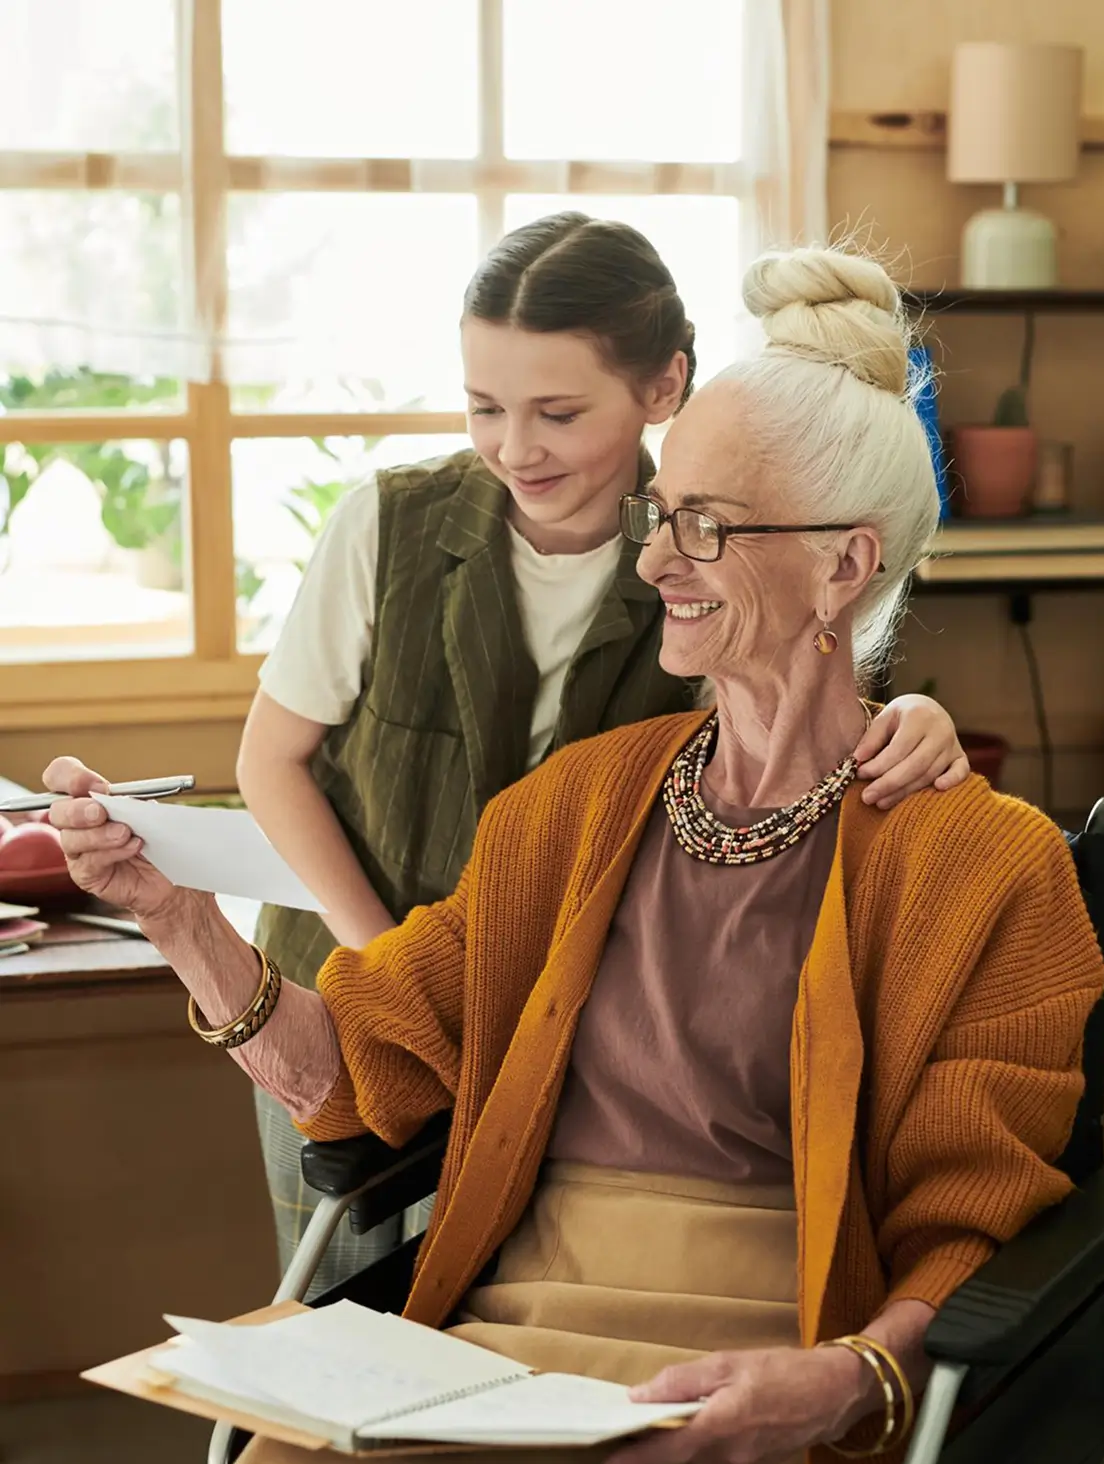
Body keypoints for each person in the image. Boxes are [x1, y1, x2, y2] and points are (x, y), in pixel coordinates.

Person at [47, 241, 1104, 1464]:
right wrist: (177, 917)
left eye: (705, 525)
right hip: (507, 1355)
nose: (657, 559)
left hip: (760, 1372)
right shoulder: (577, 804)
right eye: (663, 513)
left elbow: (974, 1219)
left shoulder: (986, 865)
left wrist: (842, 1377)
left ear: (845, 565)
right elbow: (349, 1068)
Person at [235, 211, 971, 1292]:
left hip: (557, 1041)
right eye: (486, 407)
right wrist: (392, 967)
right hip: (344, 988)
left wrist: (919, 723)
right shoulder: (389, 528)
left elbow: (799, 720)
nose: (514, 448)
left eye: (558, 412)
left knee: (486, 1308)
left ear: (664, 387)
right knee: (332, 1319)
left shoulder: (705, 556)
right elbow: (269, 764)